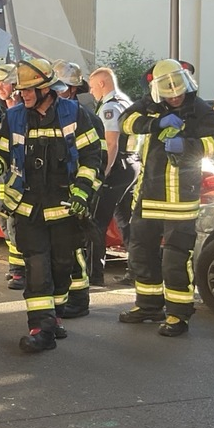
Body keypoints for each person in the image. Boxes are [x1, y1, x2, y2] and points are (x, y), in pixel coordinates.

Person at [0, 57, 102, 352]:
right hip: (28, 208)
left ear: (47, 89)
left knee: (61, 265)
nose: (21, 94)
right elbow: (1, 152)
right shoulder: (14, 116)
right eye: (20, 90)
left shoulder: (75, 114)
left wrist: (82, 193)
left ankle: (55, 315)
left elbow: (92, 158)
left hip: (64, 207)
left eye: (29, 90)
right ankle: (41, 327)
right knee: (36, 266)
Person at [117, 59, 214, 336]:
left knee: (175, 258)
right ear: (159, 91)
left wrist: (190, 146)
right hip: (149, 194)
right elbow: (125, 122)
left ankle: (179, 315)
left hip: (181, 198)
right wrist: (154, 124)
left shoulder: (199, 109)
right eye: (169, 93)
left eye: (178, 91)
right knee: (141, 253)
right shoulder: (150, 104)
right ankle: (148, 305)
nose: (175, 96)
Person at [52, 61, 105, 319]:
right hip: (61, 193)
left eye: (59, 89)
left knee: (74, 246)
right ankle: (66, 296)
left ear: (72, 91)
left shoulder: (87, 119)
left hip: (80, 192)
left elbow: (97, 161)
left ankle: (79, 299)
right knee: (61, 248)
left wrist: (84, 194)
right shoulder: (56, 115)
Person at [85, 66, 138, 287]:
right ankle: (137, 272)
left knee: (95, 221)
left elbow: (111, 142)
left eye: (92, 86)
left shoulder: (109, 107)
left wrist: (102, 173)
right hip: (131, 165)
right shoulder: (125, 101)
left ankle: (94, 275)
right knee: (126, 221)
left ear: (102, 84)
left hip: (116, 169)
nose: (90, 91)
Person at [0, 63, 26, 290]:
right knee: (4, 223)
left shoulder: (25, 109)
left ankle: (21, 271)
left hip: (19, 177)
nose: (0, 87)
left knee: (16, 225)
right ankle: (15, 268)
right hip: (0, 178)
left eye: (4, 82)